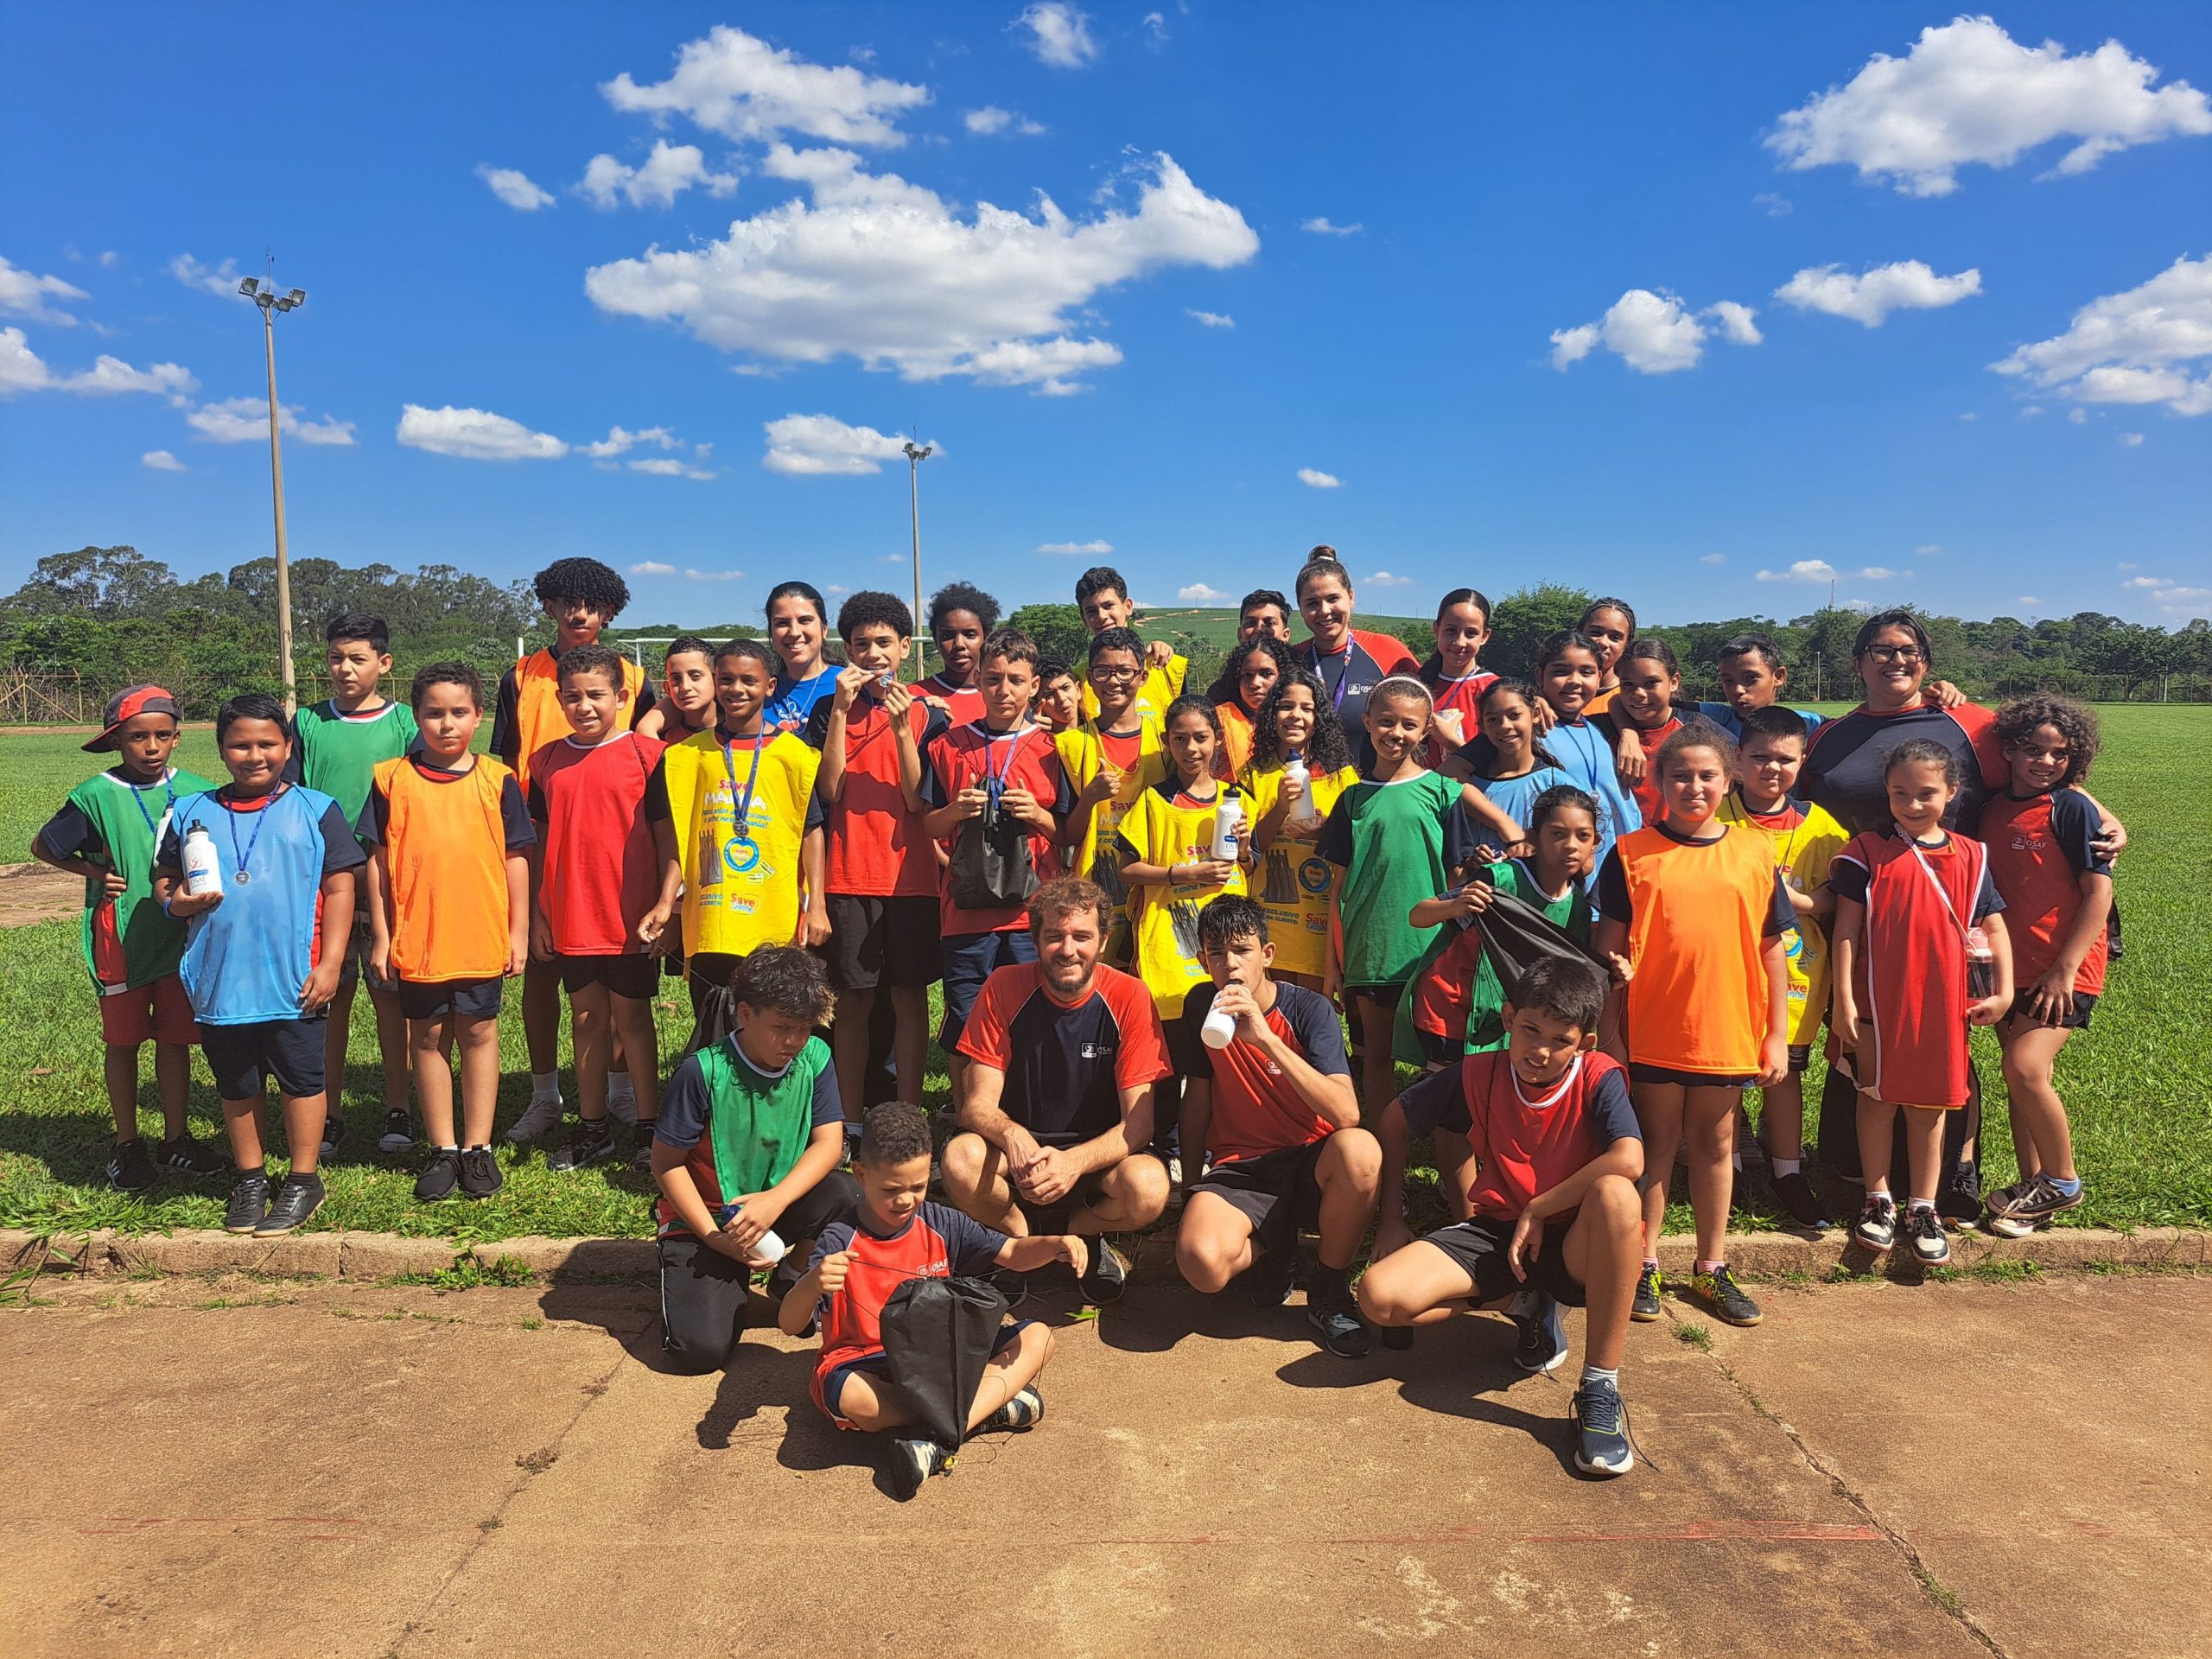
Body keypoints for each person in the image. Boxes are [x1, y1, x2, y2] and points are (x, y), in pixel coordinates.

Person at [1799, 608, 2121, 1210]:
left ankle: (1954, 1174)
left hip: (1956, 912)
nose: (1895, 660)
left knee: (1947, 1038)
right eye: (1881, 649)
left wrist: (2101, 813)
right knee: (1862, 1036)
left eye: (1908, 650)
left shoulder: (1970, 723)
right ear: (1858, 662)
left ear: (1926, 662)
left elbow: (2043, 769)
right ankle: (1858, 1175)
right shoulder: (1828, 735)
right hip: (1861, 908)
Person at [1359, 957, 1645, 1478]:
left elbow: (1630, 1158)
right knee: (1379, 1298)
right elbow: (1393, 1120)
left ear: (1584, 1043)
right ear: (1510, 1018)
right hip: (1500, 1231)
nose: (1540, 1051)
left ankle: (1599, 1387)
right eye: (1530, 1030)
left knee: (1618, 1195)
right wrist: (1392, 1220)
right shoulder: (1480, 1071)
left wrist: (1541, 1206)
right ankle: (1527, 1305)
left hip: (1578, 1240)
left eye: (1560, 1040)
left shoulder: (1599, 1075)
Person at [780, 1100, 1083, 1500]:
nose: (906, 1200)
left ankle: (936, 1438)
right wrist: (811, 1283)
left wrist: (1055, 1245)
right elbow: (790, 1324)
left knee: (1040, 1338)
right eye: (892, 1189)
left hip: (938, 1359)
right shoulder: (839, 1238)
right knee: (853, 1398)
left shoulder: (939, 1221)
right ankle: (984, 1411)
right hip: (867, 1361)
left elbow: (1011, 1252)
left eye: (918, 1187)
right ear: (861, 1175)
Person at [1593, 722, 1792, 1329]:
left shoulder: (1755, 852)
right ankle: (1644, 1262)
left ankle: (1711, 1266)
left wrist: (1776, 1033)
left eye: (1707, 775)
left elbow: (1772, 951)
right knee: (1654, 1146)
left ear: (1728, 780)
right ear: (1658, 782)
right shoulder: (1630, 853)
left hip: (1726, 1027)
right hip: (1652, 1026)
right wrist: (1609, 1033)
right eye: (1680, 776)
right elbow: (1607, 952)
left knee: (1714, 1145)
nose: (1694, 786)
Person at [153, 693, 365, 1236]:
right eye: (240, 745)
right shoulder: (191, 810)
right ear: (221, 749)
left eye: (267, 744)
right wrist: (176, 903)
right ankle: (250, 1177)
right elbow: (164, 879)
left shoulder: (317, 809)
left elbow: (341, 887)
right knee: (236, 1081)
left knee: (302, 1079)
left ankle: (303, 1178)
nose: (254, 755)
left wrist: (332, 963)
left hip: (296, 977)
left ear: (288, 747)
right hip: (222, 977)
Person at [940, 877, 1173, 1304]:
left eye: (1081, 936)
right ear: (1035, 940)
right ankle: (1018, 1242)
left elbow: (1139, 1124)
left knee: (1150, 1187)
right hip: (1020, 1155)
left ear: (1103, 941)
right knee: (960, 1158)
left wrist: (1072, 1163)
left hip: (1096, 1157)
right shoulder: (1004, 985)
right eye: (1054, 936)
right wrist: (1014, 1137)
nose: (1068, 949)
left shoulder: (1129, 995)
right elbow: (975, 1106)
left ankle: (1082, 1232)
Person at [32, 685, 226, 1190]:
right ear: (117, 740)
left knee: (177, 1040)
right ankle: (126, 1143)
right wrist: (93, 872)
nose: (151, 746)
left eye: (162, 735)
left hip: (182, 938)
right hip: (121, 939)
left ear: (178, 737)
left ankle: (176, 1138)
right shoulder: (96, 795)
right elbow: (44, 846)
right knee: (123, 1041)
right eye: (138, 737)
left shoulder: (199, 791)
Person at [1832, 740, 2014, 1268]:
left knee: (1930, 1107)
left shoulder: (1972, 855)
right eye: (1900, 793)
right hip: (1877, 1001)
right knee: (1875, 1096)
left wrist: (2003, 992)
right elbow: (1846, 930)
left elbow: (1994, 927)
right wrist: (1843, 1000)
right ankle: (1878, 1199)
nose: (1912, 804)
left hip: (1943, 1005)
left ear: (1952, 792)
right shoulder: (1866, 851)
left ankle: (1923, 1206)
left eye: (1926, 793)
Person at [492, 557, 653, 1140]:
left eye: (593, 605)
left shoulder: (634, 678)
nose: (580, 613)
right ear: (549, 606)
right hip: (545, 837)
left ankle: (620, 1092)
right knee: (544, 972)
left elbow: (649, 749)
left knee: (617, 994)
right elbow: (506, 759)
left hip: (612, 847)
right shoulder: (522, 675)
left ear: (609, 612)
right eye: (568, 602)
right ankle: (544, 1096)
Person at [1176, 899, 1379, 1357]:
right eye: (1216, 953)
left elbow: (1346, 1113)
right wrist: (1190, 1187)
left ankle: (1329, 1286)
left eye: (1241, 950)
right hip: (1241, 1168)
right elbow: (1197, 1102)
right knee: (1201, 1265)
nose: (1230, 965)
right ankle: (1277, 1247)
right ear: (1203, 960)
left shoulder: (1309, 1009)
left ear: (1267, 954)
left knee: (1361, 1150)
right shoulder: (1200, 1005)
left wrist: (1266, 1039)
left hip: (1311, 1163)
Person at [361, 664, 533, 1202]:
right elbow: (378, 863)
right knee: (428, 1037)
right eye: (434, 713)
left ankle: (479, 1147)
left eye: (459, 712)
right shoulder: (390, 779)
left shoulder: (498, 780)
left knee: (479, 1033)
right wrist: (384, 936)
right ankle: (443, 1148)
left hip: (480, 932)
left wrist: (519, 932)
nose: (447, 723)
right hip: (419, 938)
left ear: (479, 716)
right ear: (416, 717)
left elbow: (517, 860)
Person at [654, 946, 860, 1374]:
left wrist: (774, 1200)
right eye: (781, 1028)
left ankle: (791, 1278)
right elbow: (667, 1164)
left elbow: (829, 1144)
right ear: (745, 1015)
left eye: (804, 1029)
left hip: (774, 1208)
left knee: (848, 1191)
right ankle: (712, 1289)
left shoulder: (815, 1057)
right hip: (709, 1222)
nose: (794, 1042)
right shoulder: (702, 1072)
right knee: (699, 1352)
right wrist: (714, 1237)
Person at [1320, 677, 1519, 1112]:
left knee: (1439, 1059)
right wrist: (1331, 963)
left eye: (1409, 725)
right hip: (1370, 951)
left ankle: (1438, 1133)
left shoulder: (1443, 792)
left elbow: (1455, 876)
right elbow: (1337, 889)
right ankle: (1382, 1137)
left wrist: (1480, 863)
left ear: (1426, 729)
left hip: (1431, 951)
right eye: (1386, 721)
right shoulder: (1351, 801)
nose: (1396, 733)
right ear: (1367, 721)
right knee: (1376, 1055)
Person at [807, 592, 948, 1116]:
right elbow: (830, 790)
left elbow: (915, 799)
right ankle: (846, 1119)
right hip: (848, 877)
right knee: (853, 1001)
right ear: (847, 650)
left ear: (905, 647)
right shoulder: (829, 709)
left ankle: (908, 1110)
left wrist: (904, 728)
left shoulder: (927, 715)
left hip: (911, 879)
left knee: (909, 998)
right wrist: (841, 713)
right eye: (862, 644)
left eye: (884, 643)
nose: (873, 654)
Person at [528, 645, 667, 1173]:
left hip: (629, 917)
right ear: (559, 700)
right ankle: (592, 1128)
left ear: (622, 697)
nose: (584, 706)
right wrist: (539, 914)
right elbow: (539, 844)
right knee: (586, 1018)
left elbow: (667, 840)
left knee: (632, 1019)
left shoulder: (648, 756)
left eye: (595, 695)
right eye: (572, 696)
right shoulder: (545, 762)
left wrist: (665, 904)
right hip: (571, 916)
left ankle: (649, 1127)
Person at [912, 627, 1074, 1071]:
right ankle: (967, 1107)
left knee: (1033, 1017)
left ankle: (1023, 1105)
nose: (1004, 690)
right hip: (966, 911)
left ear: (1034, 685)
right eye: (993, 679)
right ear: (979, 680)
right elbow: (928, 825)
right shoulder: (946, 746)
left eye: (1016, 680)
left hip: (1032, 912)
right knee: (967, 1021)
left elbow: (1068, 833)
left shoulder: (1053, 750)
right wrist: (955, 811)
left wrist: (1037, 814)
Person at [1980, 696, 2112, 1237]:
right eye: (2034, 750)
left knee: (2025, 1067)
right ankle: (2035, 1190)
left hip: (2064, 969)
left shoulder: (2072, 808)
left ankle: (2062, 1179)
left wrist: (2065, 968)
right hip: (2011, 966)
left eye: (2060, 754)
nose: (2047, 762)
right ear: (2009, 750)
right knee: (2022, 1079)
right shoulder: (1991, 809)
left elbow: (2099, 893)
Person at [1714, 707, 1848, 1231]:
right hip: (1724, 967)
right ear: (1738, 760)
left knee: (1784, 1071)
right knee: (1727, 1073)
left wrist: (1793, 900)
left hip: (1795, 972)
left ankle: (1787, 1172)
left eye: (1785, 759)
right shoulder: (1716, 815)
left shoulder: (1821, 828)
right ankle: (1726, 1166)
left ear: (1802, 761)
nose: (1772, 768)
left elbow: (1836, 897)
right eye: (1760, 757)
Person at [289, 613, 417, 1156]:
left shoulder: (406, 721)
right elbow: (290, 797)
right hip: (325, 884)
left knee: (391, 997)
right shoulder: (306, 722)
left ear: (383, 664)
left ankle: (399, 1108)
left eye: (357, 658)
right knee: (329, 997)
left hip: (389, 882)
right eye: (335, 658)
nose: (345, 668)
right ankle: (328, 1112)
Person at [641, 639, 828, 1007]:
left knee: (773, 1015)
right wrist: (666, 902)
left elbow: (811, 832)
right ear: (715, 682)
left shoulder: (795, 756)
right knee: (714, 1013)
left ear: (769, 686)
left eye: (748, 680)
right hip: (713, 915)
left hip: (773, 911)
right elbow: (680, 841)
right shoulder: (684, 756)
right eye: (726, 680)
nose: (736, 689)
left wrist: (817, 905)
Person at [1398, 783, 1605, 1073]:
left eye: (1583, 836)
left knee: (1489, 1094)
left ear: (1595, 843)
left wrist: (1614, 969)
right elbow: (1417, 915)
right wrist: (1454, 906)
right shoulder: (1501, 879)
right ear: (1533, 838)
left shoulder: (1578, 908)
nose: (1571, 845)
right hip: (1452, 1009)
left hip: (1508, 1023)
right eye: (1557, 834)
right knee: (1444, 1096)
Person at [1113, 696, 1257, 1059]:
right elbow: (1126, 870)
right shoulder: (1154, 800)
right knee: (1176, 1044)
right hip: (1170, 944)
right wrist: (1186, 873)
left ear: (1218, 738)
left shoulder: (1237, 799)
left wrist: (1243, 850)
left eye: (1200, 737)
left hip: (1226, 942)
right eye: (1180, 739)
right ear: (1166, 741)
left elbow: (1251, 868)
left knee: (1226, 1043)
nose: (1191, 748)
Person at [1452, 630, 1639, 884]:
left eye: (1586, 672)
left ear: (1601, 676)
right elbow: (1449, 774)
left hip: (1619, 871)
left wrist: (1628, 733)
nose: (1574, 681)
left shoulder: (1604, 727)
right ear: (1541, 676)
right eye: (1561, 671)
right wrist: (1505, 825)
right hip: (1559, 880)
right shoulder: (1525, 730)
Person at [1055, 626, 1168, 963]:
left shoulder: (1166, 744)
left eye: (1124, 671)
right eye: (1103, 671)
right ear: (1089, 679)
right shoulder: (1071, 746)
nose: (1113, 681)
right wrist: (1090, 796)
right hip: (1094, 896)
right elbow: (1068, 835)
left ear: (1143, 677)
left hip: (1156, 892)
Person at [1241, 670, 1359, 991]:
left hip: (1319, 920)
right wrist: (1280, 808)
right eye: (1285, 706)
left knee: (1314, 1012)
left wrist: (1324, 834)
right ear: (1271, 714)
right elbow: (1247, 852)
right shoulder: (1253, 774)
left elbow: (1357, 845)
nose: (1296, 715)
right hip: (1269, 919)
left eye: (1307, 708)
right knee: (1272, 1011)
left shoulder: (1342, 776)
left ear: (1319, 719)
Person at [1288, 551, 1420, 773]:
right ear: (1300, 608)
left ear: (1350, 597)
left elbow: (1424, 714)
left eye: (1333, 599)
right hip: (1311, 791)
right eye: (1312, 603)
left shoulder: (1388, 651)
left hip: (1377, 789)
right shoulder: (1292, 660)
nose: (1324, 611)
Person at [1456, 679, 1577, 834]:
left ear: (1535, 714)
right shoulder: (1468, 787)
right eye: (1492, 720)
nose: (1504, 725)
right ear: (1482, 727)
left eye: (1514, 715)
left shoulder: (1558, 784)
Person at [1075, 564, 1186, 723]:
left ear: (1127, 607)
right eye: (1091, 611)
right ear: (1084, 619)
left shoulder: (1167, 665)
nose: (1101, 616)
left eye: (1108, 606)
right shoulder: (1077, 679)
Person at [1596, 639, 1684, 829]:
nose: (1639, 693)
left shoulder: (1695, 729)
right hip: (1618, 843)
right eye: (1628, 684)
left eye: (1651, 683)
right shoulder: (1600, 730)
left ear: (1674, 682)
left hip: (1675, 843)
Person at [1415, 587, 1498, 759]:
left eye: (1471, 633)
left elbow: (1502, 761)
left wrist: (1452, 743)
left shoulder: (1495, 690)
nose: (1460, 642)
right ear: (1436, 630)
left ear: (1485, 636)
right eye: (1451, 631)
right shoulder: (1416, 685)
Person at [762, 580, 841, 734]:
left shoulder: (849, 684)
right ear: (771, 633)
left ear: (824, 629)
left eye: (805, 620)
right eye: (782, 623)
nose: (794, 632)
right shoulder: (758, 690)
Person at [1211, 635, 1291, 779]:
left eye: (1266, 674)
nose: (1255, 683)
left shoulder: (1295, 721)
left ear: (1283, 676)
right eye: (1247, 675)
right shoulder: (1217, 720)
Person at [919, 581, 1000, 722]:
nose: (959, 644)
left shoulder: (1005, 697)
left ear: (986, 637)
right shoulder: (915, 697)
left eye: (970, 635)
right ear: (936, 639)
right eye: (947, 636)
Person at [1200, 588, 1296, 702]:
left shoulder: (1301, 687)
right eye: (1251, 623)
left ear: (1285, 635)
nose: (1259, 629)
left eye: (1269, 623)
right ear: (1240, 635)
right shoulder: (1220, 693)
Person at [633, 634, 719, 744]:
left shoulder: (736, 730)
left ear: (716, 680)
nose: (685, 687)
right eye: (676, 679)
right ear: (667, 689)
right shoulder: (665, 739)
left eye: (695, 676)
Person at [1574, 596, 1636, 715]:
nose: (1603, 642)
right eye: (1596, 633)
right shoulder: (1555, 693)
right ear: (1579, 633)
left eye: (1615, 637)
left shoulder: (1632, 700)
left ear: (1626, 645)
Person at [1033, 658, 1082, 734]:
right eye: (1049, 695)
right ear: (1036, 705)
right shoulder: (1036, 739)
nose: (1061, 699)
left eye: (1066, 688)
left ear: (1078, 690)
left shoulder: (1099, 730)